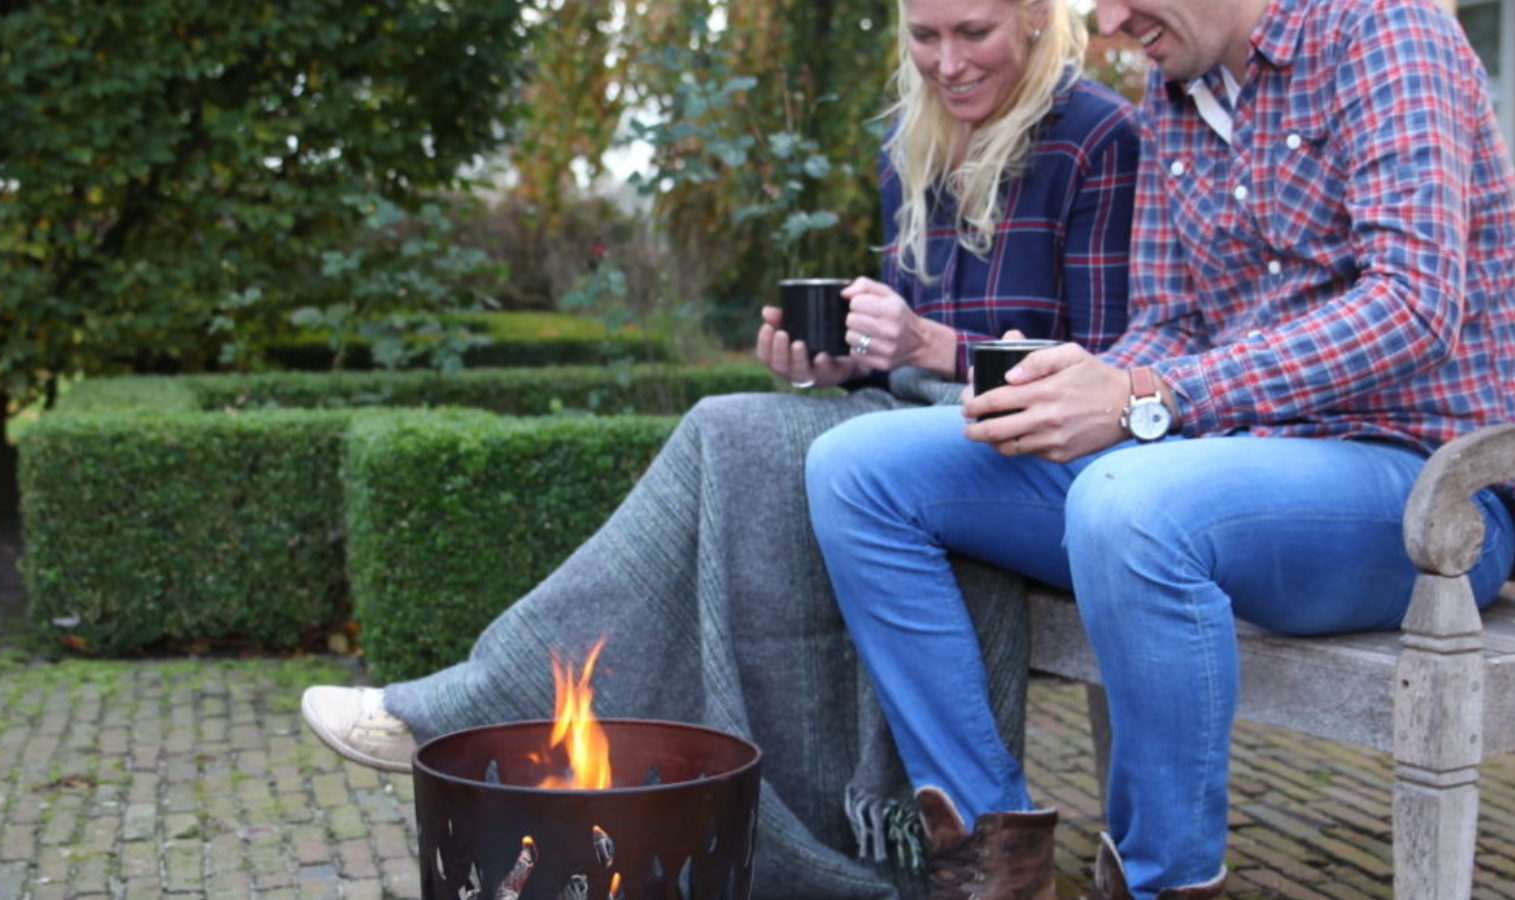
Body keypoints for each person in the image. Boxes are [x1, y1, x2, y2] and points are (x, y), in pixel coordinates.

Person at [303, 0, 1138, 896]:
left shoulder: (1097, 137)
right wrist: (838, 361)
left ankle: (479, 704)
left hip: (1043, 460)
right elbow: (899, 366)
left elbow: (1112, 360)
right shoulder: (911, 139)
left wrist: (928, 345)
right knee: (733, 426)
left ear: (1037, 21)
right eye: (923, 37)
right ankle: (512, 707)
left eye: (973, 34)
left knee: (723, 432)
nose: (947, 62)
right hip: (912, 433)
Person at [804, 0, 1515, 897]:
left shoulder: (1386, 29)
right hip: (1217, 469)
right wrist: (1064, 388)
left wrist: (1152, 397)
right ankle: (990, 860)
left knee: (1129, 506)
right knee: (859, 470)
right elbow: (1167, 322)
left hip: (1421, 494)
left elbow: (1414, 302)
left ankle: (1163, 883)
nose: (1106, 20)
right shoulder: (1176, 86)